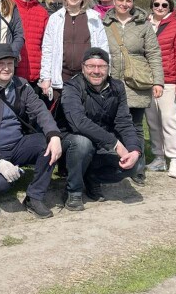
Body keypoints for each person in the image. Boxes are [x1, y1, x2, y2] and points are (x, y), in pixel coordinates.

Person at [0, 43, 63, 218]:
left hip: (18, 145)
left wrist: (54, 135)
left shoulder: (21, 85)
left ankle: (34, 197)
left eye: (10, 63)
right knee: (2, 185)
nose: (6, 68)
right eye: (0, 63)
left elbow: (40, 110)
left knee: (48, 144)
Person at [57, 47, 143, 211]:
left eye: (102, 66)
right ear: (83, 67)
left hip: (101, 143)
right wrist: (115, 143)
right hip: (72, 143)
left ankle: (92, 178)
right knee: (83, 143)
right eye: (91, 66)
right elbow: (78, 123)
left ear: (108, 68)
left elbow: (124, 121)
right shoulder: (72, 87)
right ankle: (73, 191)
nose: (96, 71)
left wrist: (134, 150)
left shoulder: (117, 87)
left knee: (134, 165)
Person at [103, 0, 164, 185]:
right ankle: (114, 165)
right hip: (112, 81)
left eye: (128, 0)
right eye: (121, 0)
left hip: (137, 82)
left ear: (133, 3)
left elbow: (153, 53)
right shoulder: (104, 23)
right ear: (114, 1)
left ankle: (138, 169)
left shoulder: (143, 25)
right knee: (111, 125)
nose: (124, 4)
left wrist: (158, 81)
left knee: (135, 126)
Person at [39, 0, 108, 112]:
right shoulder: (55, 18)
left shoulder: (94, 18)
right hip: (62, 77)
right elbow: (47, 50)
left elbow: (103, 48)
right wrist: (45, 78)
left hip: (86, 77)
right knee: (61, 116)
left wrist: (104, 75)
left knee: (85, 116)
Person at [145, 0, 176, 179]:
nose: (160, 8)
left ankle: (174, 159)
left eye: (164, 5)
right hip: (147, 81)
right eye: (156, 4)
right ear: (151, 6)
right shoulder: (144, 23)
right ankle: (159, 157)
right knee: (153, 121)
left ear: (170, 7)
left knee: (169, 120)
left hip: (168, 80)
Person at [12, 0, 49, 85]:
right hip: (11, 71)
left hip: (34, 74)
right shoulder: (7, 6)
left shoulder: (42, 12)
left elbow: (46, 44)